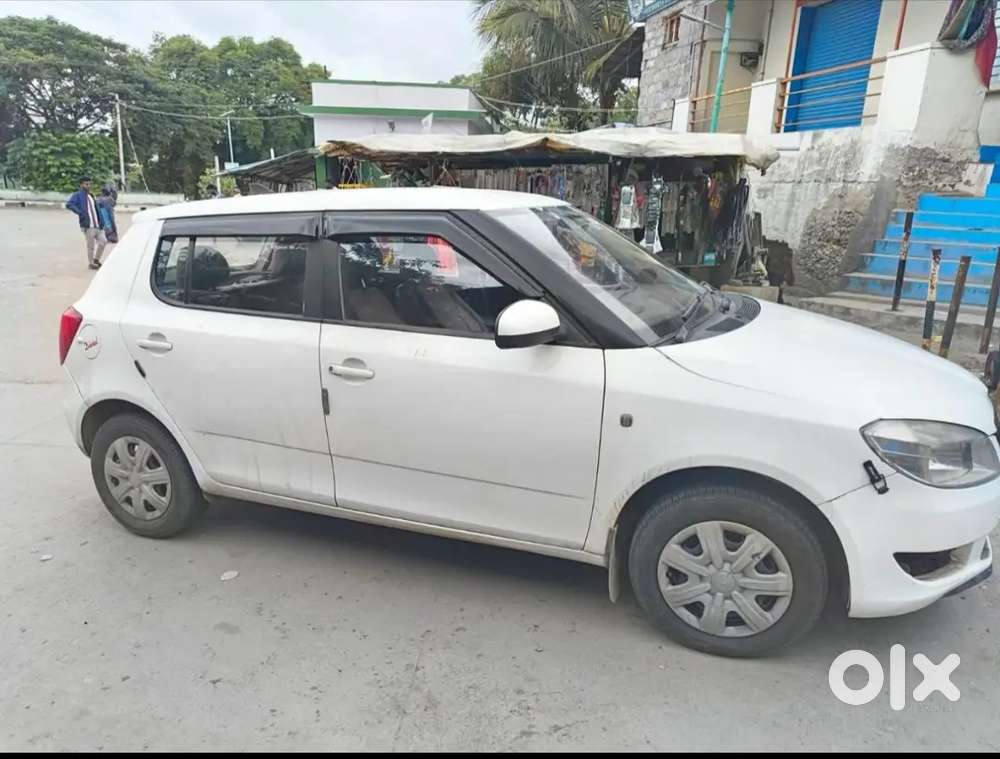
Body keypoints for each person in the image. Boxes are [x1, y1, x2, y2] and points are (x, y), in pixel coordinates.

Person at [65, 176, 107, 269]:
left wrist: (102, 222)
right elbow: (69, 204)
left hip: (97, 224)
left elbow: (97, 209)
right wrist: (80, 212)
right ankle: (91, 263)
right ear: (81, 185)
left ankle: (96, 259)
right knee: (90, 245)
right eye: (86, 184)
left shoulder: (91, 195)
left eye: (89, 184)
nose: (88, 186)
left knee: (103, 241)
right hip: (88, 225)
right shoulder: (77, 195)